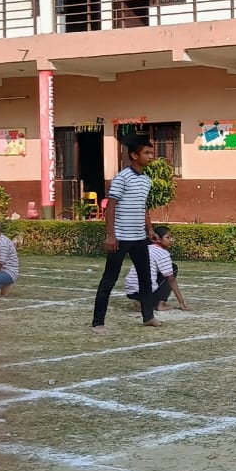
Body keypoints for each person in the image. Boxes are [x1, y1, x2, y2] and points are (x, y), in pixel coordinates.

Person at [91, 137, 161, 334]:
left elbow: (143, 208)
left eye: (150, 153)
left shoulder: (146, 180)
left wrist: (150, 230)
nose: (150, 156)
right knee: (109, 280)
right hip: (121, 238)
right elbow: (111, 206)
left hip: (139, 238)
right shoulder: (122, 177)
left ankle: (148, 317)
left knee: (146, 279)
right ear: (134, 155)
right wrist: (110, 235)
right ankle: (98, 323)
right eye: (146, 153)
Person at [125, 225, 190, 313]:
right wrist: (181, 302)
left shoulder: (145, 248)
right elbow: (171, 280)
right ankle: (161, 304)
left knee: (157, 270)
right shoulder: (162, 253)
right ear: (158, 239)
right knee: (172, 268)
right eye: (167, 237)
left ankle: (140, 302)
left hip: (131, 291)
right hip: (145, 291)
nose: (170, 240)